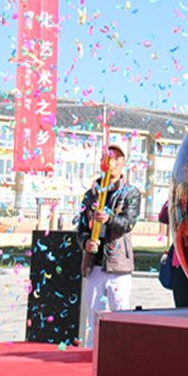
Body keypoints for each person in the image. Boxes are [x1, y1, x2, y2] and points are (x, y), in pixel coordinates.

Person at [77, 144, 141, 347]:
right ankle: (90, 353)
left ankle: (121, 353)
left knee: (121, 316)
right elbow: (81, 228)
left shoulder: (130, 193)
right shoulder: (90, 195)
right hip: (94, 264)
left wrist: (109, 219)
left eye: (116, 158)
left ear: (123, 163)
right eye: (108, 157)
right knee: (93, 318)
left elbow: (128, 223)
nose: (111, 162)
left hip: (118, 264)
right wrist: (86, 242)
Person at [158, 201, 188, 308]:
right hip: (180, 262)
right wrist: (172, 200)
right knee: (181, 307)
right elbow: (163, 217)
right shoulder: (178, 202)